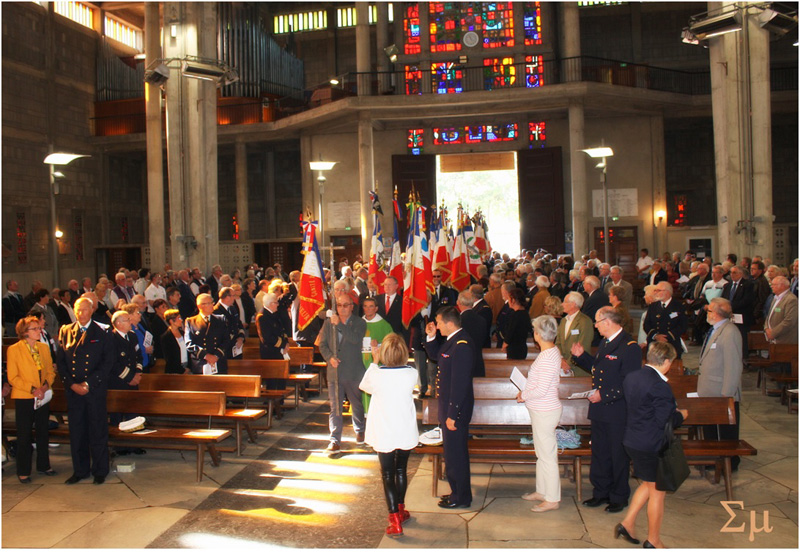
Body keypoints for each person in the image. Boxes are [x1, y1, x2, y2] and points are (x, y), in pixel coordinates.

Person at [616, 342, 688, 549]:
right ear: (666, 361)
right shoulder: (660, 385)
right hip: (651, 444)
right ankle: (654, 540)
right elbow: (665, 421)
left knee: (648, 484)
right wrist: (681, 416)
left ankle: (627, 523)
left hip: (632, 440)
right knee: (658, 492)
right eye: (670, 363)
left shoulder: (633, 377)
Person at [571, 306, 640, 513]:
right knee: (600, 452)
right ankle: (601, 492)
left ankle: (618, 496)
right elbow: (598, 369)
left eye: (597, 321)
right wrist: (582, 356)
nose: (595, 325)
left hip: (617, 409)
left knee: (617, 454)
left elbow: (629, 381)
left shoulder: (629, 346)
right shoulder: (605, 342)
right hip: (600, 409)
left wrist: (605, 394)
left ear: (608, 322)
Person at [359, 333, 419, 537]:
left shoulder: (377, 374)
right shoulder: (412, 373)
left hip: (385, 429)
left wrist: (374, 362)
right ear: (403, 352)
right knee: (401, 470)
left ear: (383, 353)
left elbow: (364, 386)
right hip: (404, 428)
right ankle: (400, 510)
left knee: (387, 474)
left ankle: (394, 519)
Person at [57, 297, 114, 485]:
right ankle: (80, 470)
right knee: (77, 431)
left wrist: (88, 384)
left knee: (97, 430)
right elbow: (61, 362)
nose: (81, 313)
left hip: (94, 390)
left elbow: (107, 362)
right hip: (74, 391)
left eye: (85, 310)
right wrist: (72, 384)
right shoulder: (66, 331)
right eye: (78, 310)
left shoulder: (102, 331)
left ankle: (100, 470)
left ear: (92, 310)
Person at [424, 306, 475, 509]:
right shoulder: (452, 341)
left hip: (456, 409)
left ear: (450, 323)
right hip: (448, 407)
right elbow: (438, 355)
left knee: (457, 455)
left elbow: (459, 384)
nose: (436, 326)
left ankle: (462, 497)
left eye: (438, 323)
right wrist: (430, 337)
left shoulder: (461, 345)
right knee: (451, 454)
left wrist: (452, 414)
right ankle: (456, 492)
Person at [516, 315, 562, 513]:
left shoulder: (548, 356)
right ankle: (543, 491)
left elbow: (542, 389)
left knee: (548, 455)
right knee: (542, 454)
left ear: (538, 335)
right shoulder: (550, 352)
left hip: (545, 409)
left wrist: (523, 394)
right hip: (541, 409)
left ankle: (552, 499)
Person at [7, 316, 57, 483]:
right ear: (24, 332)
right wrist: (32, 389)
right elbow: (13, 377)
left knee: (43, 431)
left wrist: (44, 387)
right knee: (24, 434)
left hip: (42, 396)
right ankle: (23, 470)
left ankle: (44, 465)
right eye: (34, 329)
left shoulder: (43, 348)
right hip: (24, 396)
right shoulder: (14, 349)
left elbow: (50, 371)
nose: (39, 331)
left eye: (38, 328)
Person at [318, 294, 367, 456]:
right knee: (335, 407)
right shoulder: (327, 323)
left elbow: (355, 339)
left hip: (353, 371)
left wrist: (340, 325)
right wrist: (329, 357)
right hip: (335, 371)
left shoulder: (359, 322)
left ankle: (360, 429)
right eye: (339, 305)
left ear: (352, 306)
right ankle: (335, 439)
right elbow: (322, 345)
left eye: (346, 305)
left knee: (356, 404)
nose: (342, 308)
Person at [698, 297, 743, 470]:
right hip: (710, 389)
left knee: (726, 430)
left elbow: (733, 365)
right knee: (711, 428)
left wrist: (728, 394)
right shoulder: (716, 329)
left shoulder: (730, 332)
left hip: (721, 391)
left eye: (708, 311)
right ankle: (713, 459)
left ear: (716, 314)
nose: (706, 313)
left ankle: (729, 461)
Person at [184, 293, 230, 374]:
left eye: (212, 302)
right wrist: (206, 356)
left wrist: (216, 355)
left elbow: (226, 339)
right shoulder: (191, 322)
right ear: (200, 306)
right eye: (208, 303)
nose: (212, 305)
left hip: (218, 362)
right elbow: (189, 343)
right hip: (201, 364)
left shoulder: (220, 319)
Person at [643, 281, 687, 359]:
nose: (655, 292)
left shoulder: (678, 306)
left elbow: (682, 325)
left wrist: (667, 337)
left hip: (671, 342)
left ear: (667, 292)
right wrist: (656, 336)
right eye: (655, 290)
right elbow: (647, 324)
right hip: (655, 343)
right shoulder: (653, 306)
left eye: (658, 290)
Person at [555, 292, 594, 377]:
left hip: (578, 368)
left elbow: (584, 344)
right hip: (562, 366)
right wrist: (561, 360)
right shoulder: (563, 321)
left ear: (573, 304)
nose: (562, 304)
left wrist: (568, 363)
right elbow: (558, 343)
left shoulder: (585, 321)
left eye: (565, 302)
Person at [456, 290, 488, 375]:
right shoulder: (482, 320)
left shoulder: (458, 322)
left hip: (462, 362)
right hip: (477, 361)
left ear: (458, 303)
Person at [500, 288, 532, 360]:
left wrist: (505, 344)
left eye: (509, 299)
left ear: (513, 300)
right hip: (522, 347)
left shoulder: (515, 315)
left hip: (514, 348)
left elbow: (510, 331)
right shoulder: (525, 313)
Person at [765, 276, 798, 344]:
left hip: (785, 340)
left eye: (774, 284)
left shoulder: (791, 299)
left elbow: (789, 321)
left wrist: (773, 333)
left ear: (782, 285)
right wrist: (766, 328)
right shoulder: (775, 298)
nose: (771, 286)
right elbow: (769, 315)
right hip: (773, 340)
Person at [161, 309, 190, 374]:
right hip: (175, 370)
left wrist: (189, 367)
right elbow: (169, 358)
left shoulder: (183, 333)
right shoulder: (166, 337)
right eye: (179, 318)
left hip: (187, 366)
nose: (181, 320)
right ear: (171, 321)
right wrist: (181, 370)